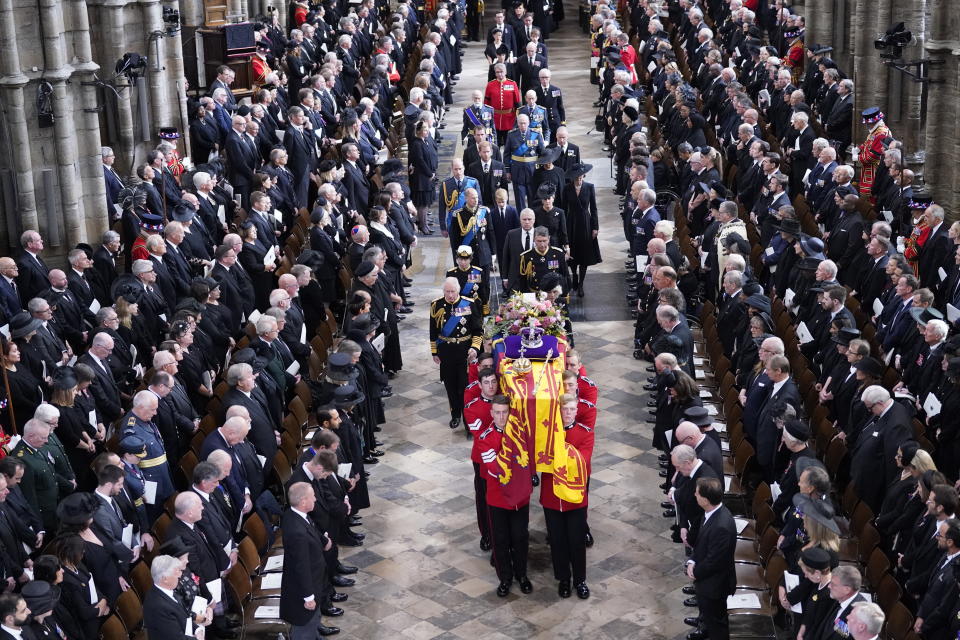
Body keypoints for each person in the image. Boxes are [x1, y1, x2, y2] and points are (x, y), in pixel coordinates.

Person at [478, 394, 534, 598]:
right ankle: (505, 578)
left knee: (520, 537)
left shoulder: (520, 432)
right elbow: (494, 468)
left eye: (505, 413)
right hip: (498, 498)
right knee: (500, 540)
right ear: (491, 414)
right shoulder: (485, 438)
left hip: (519, 497)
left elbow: (528, 458)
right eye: (498, 413)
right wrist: (513, 458)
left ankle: (522, 575)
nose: (502, 417)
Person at [540, 394, 594, 599]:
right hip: (552, 497)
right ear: (559, 411)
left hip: (575, 498)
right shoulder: (546, 434)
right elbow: (542, 459)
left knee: (576, 541)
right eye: (565, 409)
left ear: (577, 409)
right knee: (557, 541)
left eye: (572, 409)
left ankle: (580, 580)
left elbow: (582, 461)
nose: (569, 413)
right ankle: (563, 579)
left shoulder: (585, 433)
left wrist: (559, 456)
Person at [280, 482, 340, 639]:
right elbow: (301, 566)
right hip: (304, 591)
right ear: (303, 502)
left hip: (315, 581)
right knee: (305, 627)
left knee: (314, 621)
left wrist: (323, 540)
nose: (315, 499)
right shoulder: (297, 532)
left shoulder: (296, 515)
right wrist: (308, 597)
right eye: (313, 496)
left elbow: (311, 529)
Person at [685, 477, 736, 640]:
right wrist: (692, 560)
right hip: (707, 581)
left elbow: (714, 561)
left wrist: (695, 572)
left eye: (697, 493)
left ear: (706, 500)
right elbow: (701, 543)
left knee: (717, 625)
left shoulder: (721, 525)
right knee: (709, 618)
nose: (695, 495)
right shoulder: (709, 513)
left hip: (715, 585)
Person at [429, 278, 482, 428]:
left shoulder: (469, 303)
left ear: (458, 290)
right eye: (447, 291)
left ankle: (468, 419)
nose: (450, 295)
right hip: (446, 352)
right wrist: (434, 352)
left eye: (453, 291)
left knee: (464, 387)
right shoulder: (436, 305)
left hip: (464, 352)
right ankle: (455, 414)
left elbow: (478, 330)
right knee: (450, 386)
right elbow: (433, 330)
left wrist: (475, 348)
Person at [143, 554, 206, 640]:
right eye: (175, 572)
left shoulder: (167, 590)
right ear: (165, 579)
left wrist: (197, 630)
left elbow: (184, 616)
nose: (180, 576)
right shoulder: (158, 607)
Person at [563, 163, 600, 296]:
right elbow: (563, 208)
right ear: (572, 178)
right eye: (576, 177)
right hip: (571, 222)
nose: (579, 179)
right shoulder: (567, 188)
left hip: (585, 222)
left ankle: (581, 284)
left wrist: (595, 227)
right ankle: (574, 275)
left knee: (584, 254)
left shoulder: (589, 187)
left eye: (581, 177)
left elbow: (594, 208)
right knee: (572, 252)